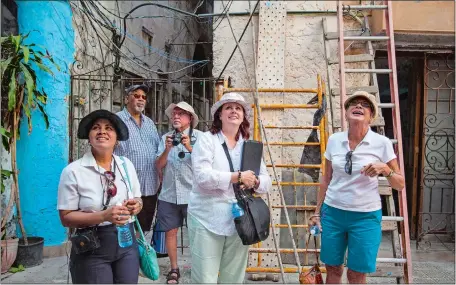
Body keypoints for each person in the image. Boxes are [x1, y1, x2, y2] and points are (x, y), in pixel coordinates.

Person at [309, 91, 405, 284]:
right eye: (353, 103)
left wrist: (385, 169)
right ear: (346, 113)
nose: (358, 106)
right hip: (332, 213)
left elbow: (400, 183)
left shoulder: (382, 143)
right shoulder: (335, 140)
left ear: (371, 116)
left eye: (365, 104)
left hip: (365, 216)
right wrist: (317, 212)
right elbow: (326, 179)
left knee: (356, 273)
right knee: (333, 268)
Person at [188, 93, 272, 283]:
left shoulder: (249, 146)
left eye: (238, 108)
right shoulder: (207, 140)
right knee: (205, 279)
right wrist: (237, 177)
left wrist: (256, 181)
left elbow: (267, 181)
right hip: (206, 217)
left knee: (233, 278)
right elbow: (202, 176)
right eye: (228, 107)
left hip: (240, 218)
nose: (234, 111)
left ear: (243, 116)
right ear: (219, 114)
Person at [57, 109, 143, 284]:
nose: (102, 131)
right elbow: (66, 218)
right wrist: (104, 216)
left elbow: (139, 199)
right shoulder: (74, 171)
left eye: (109, 128)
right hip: (91, 247)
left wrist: (136, 206)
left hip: (127, 244)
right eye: (96, 128)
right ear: (89, 137)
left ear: (116, 138)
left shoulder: (126, 165)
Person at [155, 101, 202, 284]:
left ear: (190, 118)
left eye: (181, 113)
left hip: (193, 195)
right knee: (171, 233)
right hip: (169, 194)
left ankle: (198, 267)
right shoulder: (166, 137)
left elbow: (205, 166)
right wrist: (167, 149)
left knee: (197, 233)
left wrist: (190, 147)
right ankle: (174, 269)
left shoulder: (200, 137)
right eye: (174, 113)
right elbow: (158, 165)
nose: (176, 116)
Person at [115, 84, 161, 232]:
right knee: (126, 230)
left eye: (144, 97)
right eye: (136, 96)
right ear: (126, 98)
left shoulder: (149, 123)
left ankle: (140, 255)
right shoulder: (117, 120)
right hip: (127, 189)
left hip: (150, 187)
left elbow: (157, 150)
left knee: (144, 231)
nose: (141, 99)